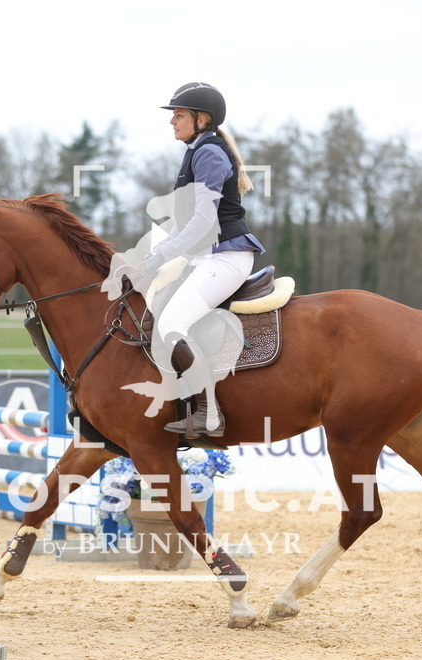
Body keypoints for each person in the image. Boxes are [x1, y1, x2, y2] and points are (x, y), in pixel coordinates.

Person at [139, 82, 265, 437]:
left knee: (171, 324)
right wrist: (150, 258)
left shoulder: (208, 153)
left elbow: (203, 222)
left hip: (225, 259)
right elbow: (184, 223)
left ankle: (208, 413)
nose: (172, 121)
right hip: (209, 258)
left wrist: (156, 259)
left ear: (201, 119)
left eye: (179, 115)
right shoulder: (198, 148)